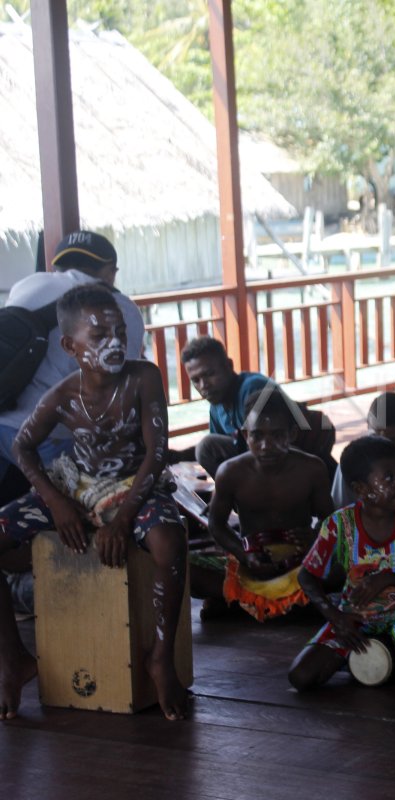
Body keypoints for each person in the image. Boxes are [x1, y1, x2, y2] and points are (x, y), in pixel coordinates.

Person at [0, 284, 187, 720]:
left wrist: (121, 519)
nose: (115, 343)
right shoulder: (63, 396)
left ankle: (160, 657)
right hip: (76, 482)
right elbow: (22, 448)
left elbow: (157, 452)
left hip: (134, 484)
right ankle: (12, 660)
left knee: (169, 542)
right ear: (70, 346)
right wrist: (56, 501)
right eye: (100, 335)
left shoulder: (144, 378)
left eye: (119, 332)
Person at [288, 436, 395, 696]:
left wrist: (387, 578)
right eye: (388, 478)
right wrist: (335, 617)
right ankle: (388, 650)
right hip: (355, 617)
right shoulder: (339, 524)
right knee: (301, 677)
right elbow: (307, 576)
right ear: (361, 489)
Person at [0, 231, 144, 494]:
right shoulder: (119, 309)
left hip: (3, 419)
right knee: (101, 499)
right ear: (111, 270)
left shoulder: (28, 284)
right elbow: (119, 387)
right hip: (46, 437)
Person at [189, 387, 334, 621]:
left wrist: (314, 538)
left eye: (277, 435)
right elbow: (216, 525)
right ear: (245, 435)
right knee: (187, 569)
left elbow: (331, 521)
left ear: (292, 434)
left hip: (301, 563)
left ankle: (243, 605)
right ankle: (291, 608)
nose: (267, 446)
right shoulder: (230, 472)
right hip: (251, 561)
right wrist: (244, 554)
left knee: (345, 568)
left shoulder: (312, 469)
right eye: (258, 436)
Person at [173, 336, 271, 477]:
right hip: (257, 463)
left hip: (287, 462)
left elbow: (270, 444)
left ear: (229, 366)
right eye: (195, 380)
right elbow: (223, 447)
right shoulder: (216, 406)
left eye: (209, 374)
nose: (203, 385)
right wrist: (178, 456)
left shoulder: (253, 388)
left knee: (206, 447)